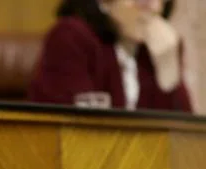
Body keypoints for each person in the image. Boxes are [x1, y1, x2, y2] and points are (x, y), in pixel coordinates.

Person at [28, 0, 193, 113]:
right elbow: (77, 132)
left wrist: (168, 67)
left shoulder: (158, 48)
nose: (156, 8)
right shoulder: (70, 38)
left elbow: (184, 143)